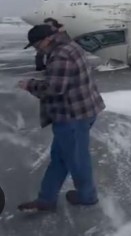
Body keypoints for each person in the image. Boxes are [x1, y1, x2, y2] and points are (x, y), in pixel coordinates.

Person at [16, 24, 105, 212]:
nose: (36, 49)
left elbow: (54, 88)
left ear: (47, 39)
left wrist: (30, 85)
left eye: (36, 45)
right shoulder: (69, 45)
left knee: (77, 159)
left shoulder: (60, 55)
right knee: (61, 157)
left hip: (73, 116)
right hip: (80, 110)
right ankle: (46, 199)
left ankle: (87, 196)